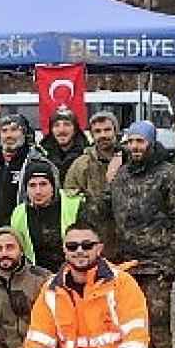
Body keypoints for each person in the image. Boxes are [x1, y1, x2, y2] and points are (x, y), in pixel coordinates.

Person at [24, 222, 149, 348]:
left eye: (87, 245)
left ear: (99, 248)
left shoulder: (122, 283)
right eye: (72, 246)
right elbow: (38, 342)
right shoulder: (51, 289)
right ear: (64, 250)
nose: (79, 250)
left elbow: (135, 338)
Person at [90, 121, 175, 348]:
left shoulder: (169, 175)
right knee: (128, 320)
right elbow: (102, 209)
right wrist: (108, 181)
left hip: (157, 263)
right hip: (126, 262)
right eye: (130, 141)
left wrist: (171, 262)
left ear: (151, 143)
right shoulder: (121, 174)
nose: (135, 146)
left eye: (140, 141)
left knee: (158, 321)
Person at [63, 111, 121, 259]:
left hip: (127, 242)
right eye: (97, 131)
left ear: (116, 131)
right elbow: (69, 205)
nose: (102, 135)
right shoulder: (81, 165)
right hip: (94, 243)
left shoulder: (129, 160)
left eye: (107, 130)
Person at [9, 160, 82, 274]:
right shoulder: (19, 213)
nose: (38, 191)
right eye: (32, 185)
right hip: (37, 275)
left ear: (53, 187)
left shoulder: (74, 204)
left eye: (43, 184)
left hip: (75, 271)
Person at [0, 113, 36, 226]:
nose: (9, 135)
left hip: (24, 228)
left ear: (24, 133)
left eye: (14, 130)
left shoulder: (35, 161)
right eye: (4, 131)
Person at [39, 106, 88, 177]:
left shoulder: (87, 154)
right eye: (56, 125)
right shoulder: (40, 156)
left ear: (75, 129)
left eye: (67, 124)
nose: (61, 130)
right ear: (51, 130)